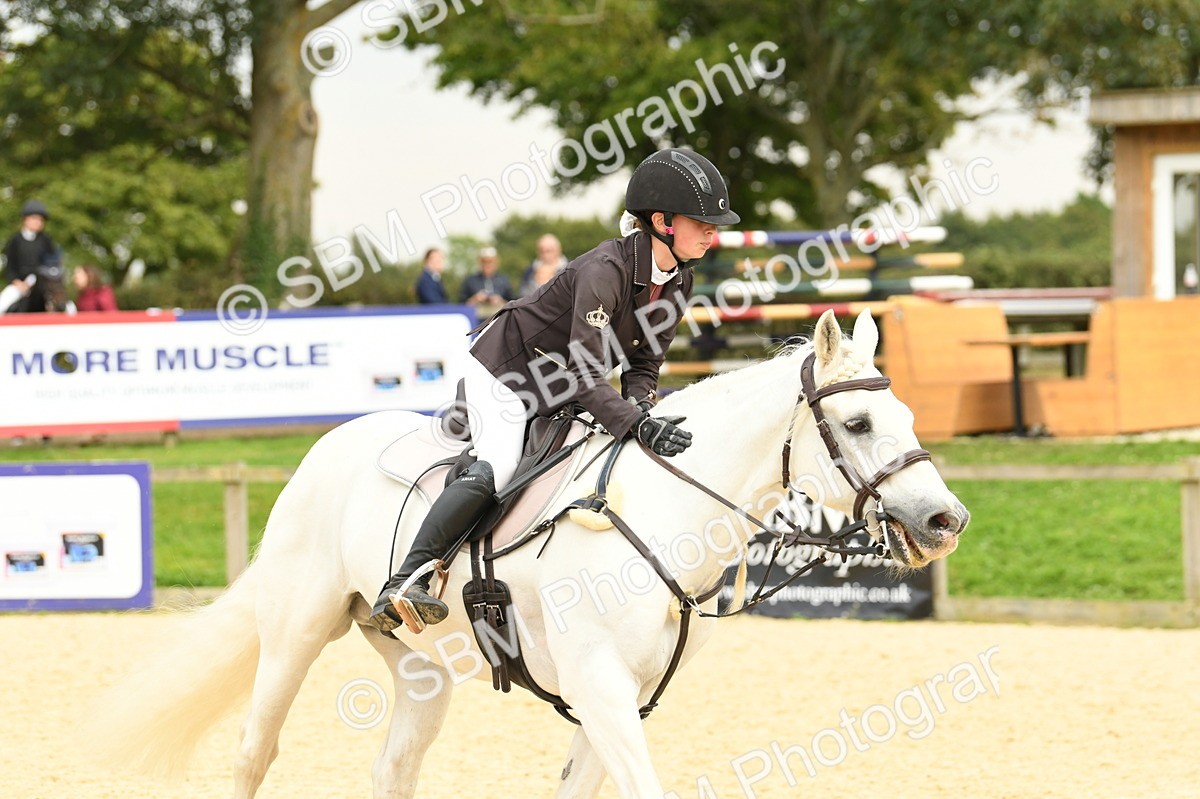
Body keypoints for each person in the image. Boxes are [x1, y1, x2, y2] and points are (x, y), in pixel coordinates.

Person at [370, 148, 740, 632]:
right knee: (501, 465)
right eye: (703, 223)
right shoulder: (605, 270)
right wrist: (636, 424)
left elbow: (645, 361)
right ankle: (406, 579)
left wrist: (643, 408)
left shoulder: (679, 279)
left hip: (565, 383)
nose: (713, 233)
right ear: (662, 222)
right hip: (507, 370)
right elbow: (586, 374)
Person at [2, 200, 61, 313]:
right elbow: (10, 266)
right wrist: (17, 282)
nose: (38, 222)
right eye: (35, 218)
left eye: (41, 220)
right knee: (3, 302)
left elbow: (51, 263)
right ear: (25, 219)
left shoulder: (46, 240)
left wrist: (36, 279)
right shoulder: (15, 240)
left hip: (42, 282)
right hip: (19, 283)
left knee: (64, 304)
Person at [458, 246, 514, 314]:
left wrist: (500, 301)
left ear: (496, 262)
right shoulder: (470, 281)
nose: (487, 265)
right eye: (484, 262)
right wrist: (474, 299)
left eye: (490, 261)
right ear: (479, 262)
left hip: (499, 317)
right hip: (477, 317)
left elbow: (513, 305)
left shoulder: (504, 281)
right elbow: (460, 306)